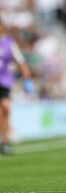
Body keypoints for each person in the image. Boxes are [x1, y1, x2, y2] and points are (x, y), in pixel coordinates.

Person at [0, 18, 33, 155]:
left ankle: (4, 142)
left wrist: (27, 80)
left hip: (4, 81)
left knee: (6, 109)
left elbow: (20, 61)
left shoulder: (9, 43)